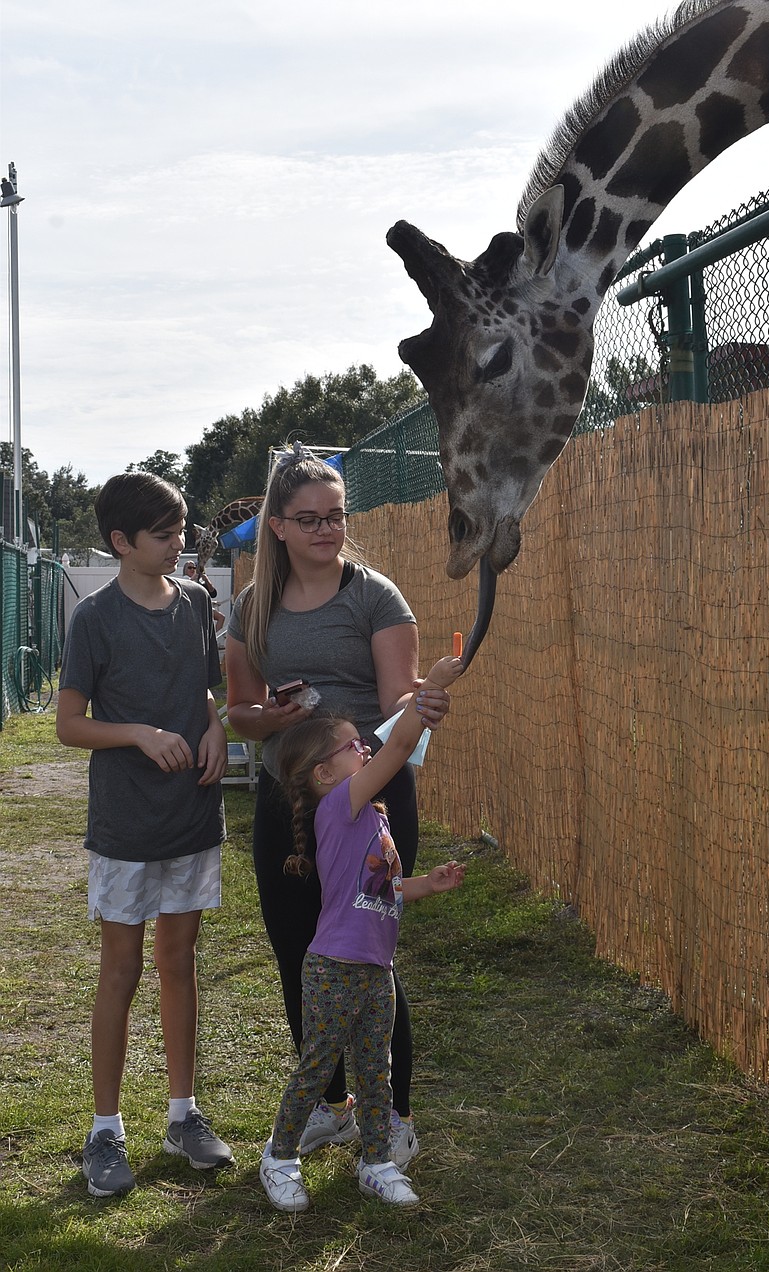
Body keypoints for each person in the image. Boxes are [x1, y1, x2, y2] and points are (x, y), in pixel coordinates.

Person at [226, 444, 452, 1167]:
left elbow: (397, 702)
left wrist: (425, 701)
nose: (327, 530)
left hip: (370, 799)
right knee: (300, 955)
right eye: (309, 519)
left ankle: (397, 1120)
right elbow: (239, 713)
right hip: (285, 802)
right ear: (279, 527)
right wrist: (272, 717)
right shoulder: (251, 607)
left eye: (336, 517)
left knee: (365, 959)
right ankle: (332, 1108)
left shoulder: (375, 595)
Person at [56, 472, 233, 1198]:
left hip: (193, 815)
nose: (179, 543)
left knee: (180, 960)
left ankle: (182, 1115)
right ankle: (106, 1129)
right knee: (122, 970)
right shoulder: (94, 618)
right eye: (164, 534)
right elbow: (69, 724)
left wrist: (216, 725)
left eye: (182, 529)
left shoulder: (194, 602)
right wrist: (136, 734)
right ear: (120, 542)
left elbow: (205, 688)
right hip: (126, 826)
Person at [259, 650, 465, 1211]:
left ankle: (376, 1162)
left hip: (376, 969)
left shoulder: (371, 817)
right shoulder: (338, 808)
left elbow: (383, 890)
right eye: (353, 746)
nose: (366, 749)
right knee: (318, 1066)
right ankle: (279, 1158)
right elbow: (398, 748)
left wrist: (428, 883)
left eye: (363, 743)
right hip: (333, 968)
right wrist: (432, 689)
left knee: (377, 1073)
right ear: (323, 774)